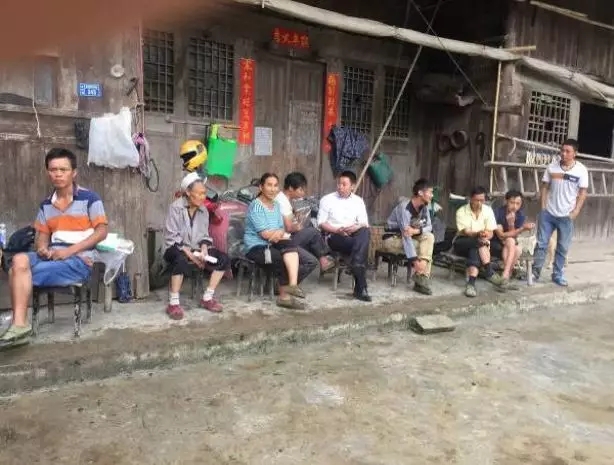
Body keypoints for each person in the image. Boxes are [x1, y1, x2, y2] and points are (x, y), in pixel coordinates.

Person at [1, 148, 108, 343]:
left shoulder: (90, 199)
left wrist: (69, 251)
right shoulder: (46, 205)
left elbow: (102, 232)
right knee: (18, 260)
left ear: (73, 173)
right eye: (53, 170)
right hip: (53, 255)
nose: (58, 174)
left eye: (63, 169)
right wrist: (42, 248)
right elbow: (42, 237)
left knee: (17, 272)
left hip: (79, 259)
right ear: (47, 172)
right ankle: (20, 324)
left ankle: (19, 324)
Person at [244, 173, 317, 310]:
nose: (273, 189)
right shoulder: (256, 206)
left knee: (291, 246)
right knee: (282, 258)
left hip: (273, 242)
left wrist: (277, 233)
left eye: (275, 185)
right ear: (261, 187)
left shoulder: (277, 205)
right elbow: (264, 234)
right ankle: (284, 298)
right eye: (269, 185)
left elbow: (281, 229)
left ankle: (292, 285)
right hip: (257, 247)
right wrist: (276, 233)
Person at [163, 172, 230, 319]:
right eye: (199, 193)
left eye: (204, 193)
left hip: (196, 248)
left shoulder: (203, 210)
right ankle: (173, 303)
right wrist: (191, 256)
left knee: (223, 259)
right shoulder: (176, 207)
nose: (202, 197)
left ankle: (207, 298)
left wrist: (204, 250)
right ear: (188, 192)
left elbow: (204, 235)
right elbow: (171, 236)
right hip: (175, 247)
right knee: (180, 259)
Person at [532, 139, 588, 286]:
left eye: (567, 151)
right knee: (541, 244)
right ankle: (534, 273)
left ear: (575, 153)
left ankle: (557, 275)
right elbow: (544, 187)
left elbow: (582, 193)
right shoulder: (552, 167)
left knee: (562, 247)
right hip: (548, 213)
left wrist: (576, 211)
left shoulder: (581, 170)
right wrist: (543, 207)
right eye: (562, 150)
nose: (563, 154)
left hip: (566, 216)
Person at [318, 170, 371, 302]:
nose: (340, 187)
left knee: (364, 231)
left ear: (352, 186)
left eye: (344, 184)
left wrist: (355, 227)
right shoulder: (327, 199)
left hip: (353, 234)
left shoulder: (358, 201)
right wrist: (337, 230)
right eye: (339, 184)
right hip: (334, 235)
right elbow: (321, 223)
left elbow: (364, 223)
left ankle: (357, 269)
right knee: (361, 248)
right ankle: (361, 284)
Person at [384, 178, 435, 295]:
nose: (432, 195)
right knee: (420, 245)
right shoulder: (404, 208)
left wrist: (416, 230)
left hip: (411, 236)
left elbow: (429, 227)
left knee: (429, 237)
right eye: (430, 192)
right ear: (420, 193)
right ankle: (421, 279)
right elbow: (405, 236)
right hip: (393, 238)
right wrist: (414, 260)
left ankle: (420, 277)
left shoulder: (424, 207)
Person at [276, 172, 335, 273]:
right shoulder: (283, 202)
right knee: (313, 231)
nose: (303, 193)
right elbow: (289, 228)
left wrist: (296, 219)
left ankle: (322, 260)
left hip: (284, 237)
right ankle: (324, 260)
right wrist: (299, 226)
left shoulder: (283, 199)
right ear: (290, 188)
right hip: (282, 240)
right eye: (300, 189)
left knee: (310, 233)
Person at [454, 186, 506, 297]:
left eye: (482, 200)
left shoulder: (488, 210)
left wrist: (486, 235)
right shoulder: (461, 211)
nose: (479, 203)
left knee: (476, 248)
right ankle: (489, 272)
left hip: (480, 243)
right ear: (470, 199)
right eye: (476, 200)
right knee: (478, 242)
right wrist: (479, 234)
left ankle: (471, 284)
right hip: (463, 242)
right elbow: (467, 232)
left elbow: (491, 232)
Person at [492, 190, 535, 284]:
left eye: (518, 203)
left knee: (517, 249)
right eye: (512, 202)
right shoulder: (498, 212)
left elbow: (513, 238)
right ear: (506, 201)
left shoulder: (520, 215)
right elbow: (501, 235)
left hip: (508, 246)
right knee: (511, 242)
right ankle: (508, 273)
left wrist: (511, 224)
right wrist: (522, 228)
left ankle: (505, 274)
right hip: (495, 244)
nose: (515, 206)